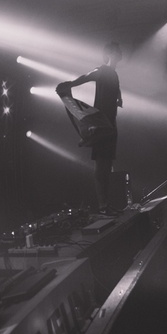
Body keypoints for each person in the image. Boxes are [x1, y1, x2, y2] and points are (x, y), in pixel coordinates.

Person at [57, 42, 123, 216]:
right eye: (117, 50)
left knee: (107, 166)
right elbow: (86, 77)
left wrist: (119, 97)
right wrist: (70, 85)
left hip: (110, 125)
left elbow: (116, 89)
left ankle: (106, 205)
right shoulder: (101, 70)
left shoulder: (114, 75)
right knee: (101, 166)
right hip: (100, 125)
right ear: (110, 53)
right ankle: (103, 206)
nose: (120, 53)